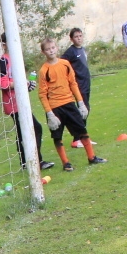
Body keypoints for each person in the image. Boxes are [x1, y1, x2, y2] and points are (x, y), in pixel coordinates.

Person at [37, 38, 106, 172]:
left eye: (53, 48)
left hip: (69, 103)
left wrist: (81, 103)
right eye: (47, 49)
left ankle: (92, 157)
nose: (51, 51)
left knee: (82, 130)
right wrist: (49, 113)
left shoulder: (65, 64)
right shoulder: (43, 70)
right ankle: (66, 163)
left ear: (56, 48)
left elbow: (73, 84)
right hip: (55, 108)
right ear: (43, 52)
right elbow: (42, 94)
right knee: (57, 136)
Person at [0, 33, 54, 171]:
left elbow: (17, 81)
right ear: (4, 44)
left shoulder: (15, 58)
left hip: (20, 101)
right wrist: (21, 83)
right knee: (35, 128)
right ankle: (34, 161)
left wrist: (27, 85)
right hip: (13, 104)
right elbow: (2, 82)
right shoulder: (4, 60)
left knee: (23, 131)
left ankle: (26, 162)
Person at [61, 28, 94, 149]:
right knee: (83, 110)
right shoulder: (71, 52)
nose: (79, 38)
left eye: (80, 36)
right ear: (71, 39)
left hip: (86, 83)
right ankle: (77, 138)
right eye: (76, 37)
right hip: (78, 85)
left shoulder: (82, 49)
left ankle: (83, 137)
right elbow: (62, 63)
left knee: (86, 109)